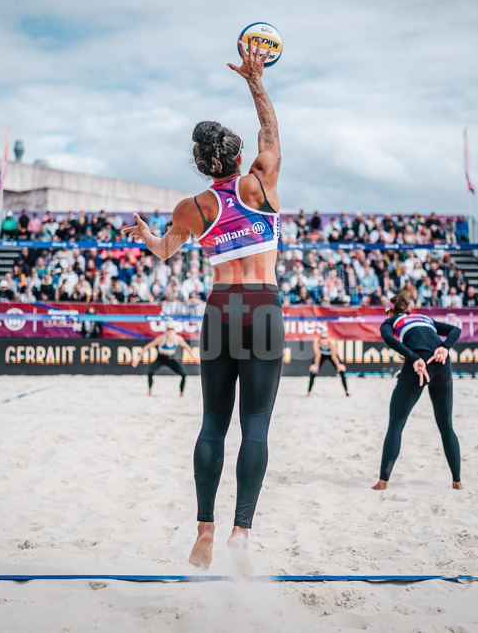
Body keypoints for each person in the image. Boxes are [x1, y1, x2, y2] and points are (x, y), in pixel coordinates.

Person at [123, 39, 282, 575]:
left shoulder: (190, 208)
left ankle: (205, 531)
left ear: (199, 165)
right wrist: (254, 80)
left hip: (219, 309)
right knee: (255, 423)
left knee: (213, 421)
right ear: (237, 157)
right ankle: (240, 532)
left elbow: (166, 251)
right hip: (260, 306)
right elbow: (271, 130)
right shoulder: (259, 181)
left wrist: (147, 234)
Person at [373, 290, 463, 491]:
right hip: (442, 362)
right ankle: (457, 482)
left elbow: (389, 339)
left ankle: (382, 482)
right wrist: (445, 347)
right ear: (409, 309)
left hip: (419, 363)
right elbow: (455, 330)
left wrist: (413, 357)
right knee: (446, 426)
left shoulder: (391, 322)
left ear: (389, 312)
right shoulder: (424, 318)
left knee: (396, 423)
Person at [131, 323, 198, 396]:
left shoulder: (178, 339)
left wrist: (194, 356)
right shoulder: (161, 338)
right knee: (150, 372)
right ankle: (150, 392)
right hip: (160, 358)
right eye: (169, 329)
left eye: (172, 329)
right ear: (165, 331)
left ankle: (181, 394)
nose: (171, 331)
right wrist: (138, 358)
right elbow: (147, 347)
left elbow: (187, 347)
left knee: (184, 374)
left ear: (175, 331)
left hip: (171, 358)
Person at [307, 327, 349, 397]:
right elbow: (318, 355)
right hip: (321, 355)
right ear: (320, 338)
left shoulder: (332, 342)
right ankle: (308, 392)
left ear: (328, 337)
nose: (324, 340)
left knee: (341, 371)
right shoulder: (316, 341)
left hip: (331, 355)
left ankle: (346, 391)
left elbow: (334, 356)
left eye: (325, 338)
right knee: (313, 372)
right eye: (322, 338)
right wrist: (315, 366)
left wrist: (338, 366)